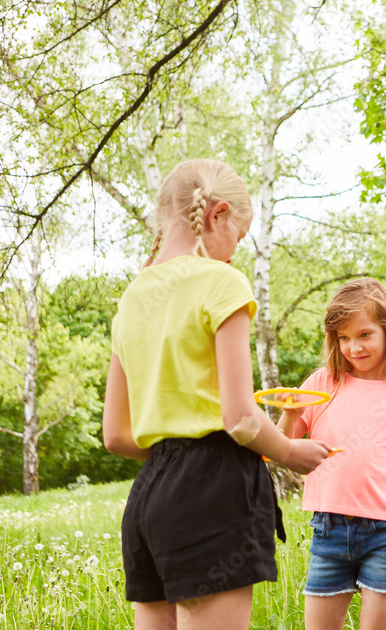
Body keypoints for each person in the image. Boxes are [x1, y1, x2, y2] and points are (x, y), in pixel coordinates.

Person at [102, 159, 331, 630]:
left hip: (148, 500)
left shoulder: (132, 298)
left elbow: (116, 437)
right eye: (238, 238)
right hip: (212, 493)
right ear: (217, 215)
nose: (233, 255)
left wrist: (176, 460)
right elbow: (242, 419)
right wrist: (289, 451)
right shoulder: (221, 281)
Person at [277, 278, 386, 630]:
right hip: (328, 531)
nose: (353, 347)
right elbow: (281, 448)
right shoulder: (321, 385)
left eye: (364, 335)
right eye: (343, 338)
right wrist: (291, 412)